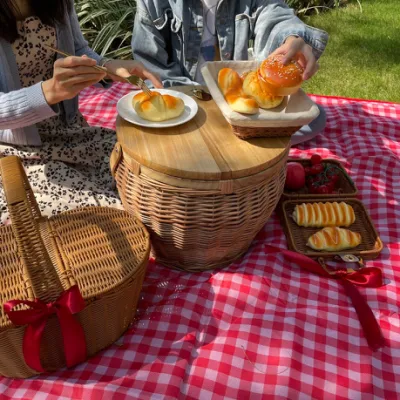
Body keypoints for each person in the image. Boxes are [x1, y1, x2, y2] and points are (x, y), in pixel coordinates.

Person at [0, 0, 162, 224]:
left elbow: (76, 50)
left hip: (71, 132)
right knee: (110, 218)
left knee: (148, 184)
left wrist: (107, 67)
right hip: (16, 153)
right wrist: (48, 92)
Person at [132, 0, 328, 145]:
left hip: (237, 107)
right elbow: (153, 70)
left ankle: (232, 138)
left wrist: (291, 37)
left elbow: (275, 14)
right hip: (186, 104)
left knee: (315, 117)